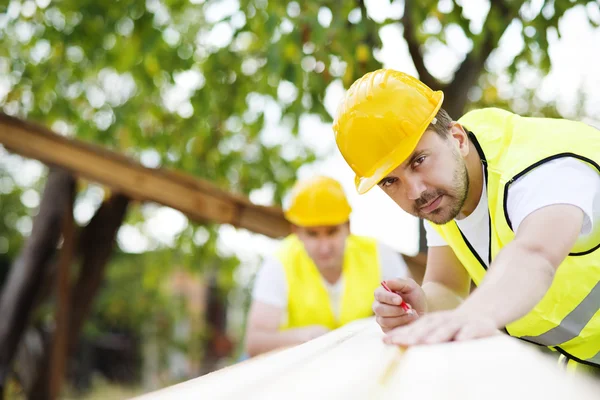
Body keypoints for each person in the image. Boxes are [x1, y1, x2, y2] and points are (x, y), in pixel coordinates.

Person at [331, 68, 600, 370]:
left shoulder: (540, 167)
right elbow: (447, 286)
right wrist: (421, 305)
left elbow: (535, 255)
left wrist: (475, 314)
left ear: (457, 138)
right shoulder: (446, 189)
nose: (415, 191)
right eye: (390, 181)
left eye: (418, 161)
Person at [244, 175, 411, 357]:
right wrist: (304, 336)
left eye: (332, 232)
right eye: (313, 234)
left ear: (347, 226)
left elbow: (413, 313)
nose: (324, 246)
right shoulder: (279, 263)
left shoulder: (379, 254)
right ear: (296, 232)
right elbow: (255, 342)